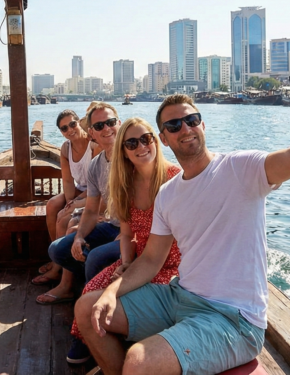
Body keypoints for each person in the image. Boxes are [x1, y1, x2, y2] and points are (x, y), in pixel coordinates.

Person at [77, 72, 290, 375]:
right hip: (179, 296)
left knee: (140, 361)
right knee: (86, 309)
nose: (185, 128)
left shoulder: (240, 168)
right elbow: (151, 259)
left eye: (192, 120)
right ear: (165, 139)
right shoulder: (168, 194)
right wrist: (111, 292)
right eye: (173, 125)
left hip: (232, 318)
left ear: (203, 125)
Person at [65, 117, 182, 365]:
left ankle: (118, 349)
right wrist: (126, 262)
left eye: (146, 139)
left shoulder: (175, 178)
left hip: (172, 266)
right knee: (90, 289)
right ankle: (101, 349)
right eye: (131, 143)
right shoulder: (126, 184)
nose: (141, 147)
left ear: (156, 141)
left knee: (113, 297)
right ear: (124, 152)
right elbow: (128, 234)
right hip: (139, 260)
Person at [39, 102, 123, 305]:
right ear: (92, 130)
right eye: (63, 128)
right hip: (104, 214)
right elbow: (74, 186)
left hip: (123, 228)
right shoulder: (96, 162)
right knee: (58, 239)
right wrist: (78, 229)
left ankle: (79, 290)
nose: (106, 129)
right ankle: (63, 270)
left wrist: (79, 213)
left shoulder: (127, 156)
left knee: (73, 229)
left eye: (110, 123)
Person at [33, 110, 99, 287]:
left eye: (72, 124)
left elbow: (96, 183)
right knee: (53, 205)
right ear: (61, 132)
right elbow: (68, 181)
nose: (70, 130)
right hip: (79, 190)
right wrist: (70, 202)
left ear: (79, 123)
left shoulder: (93, 145)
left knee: (63, 219)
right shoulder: (65, 148)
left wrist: (72, 207)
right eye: (64, 128)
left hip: (94, 191)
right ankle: (56, 258)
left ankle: (58, 268)